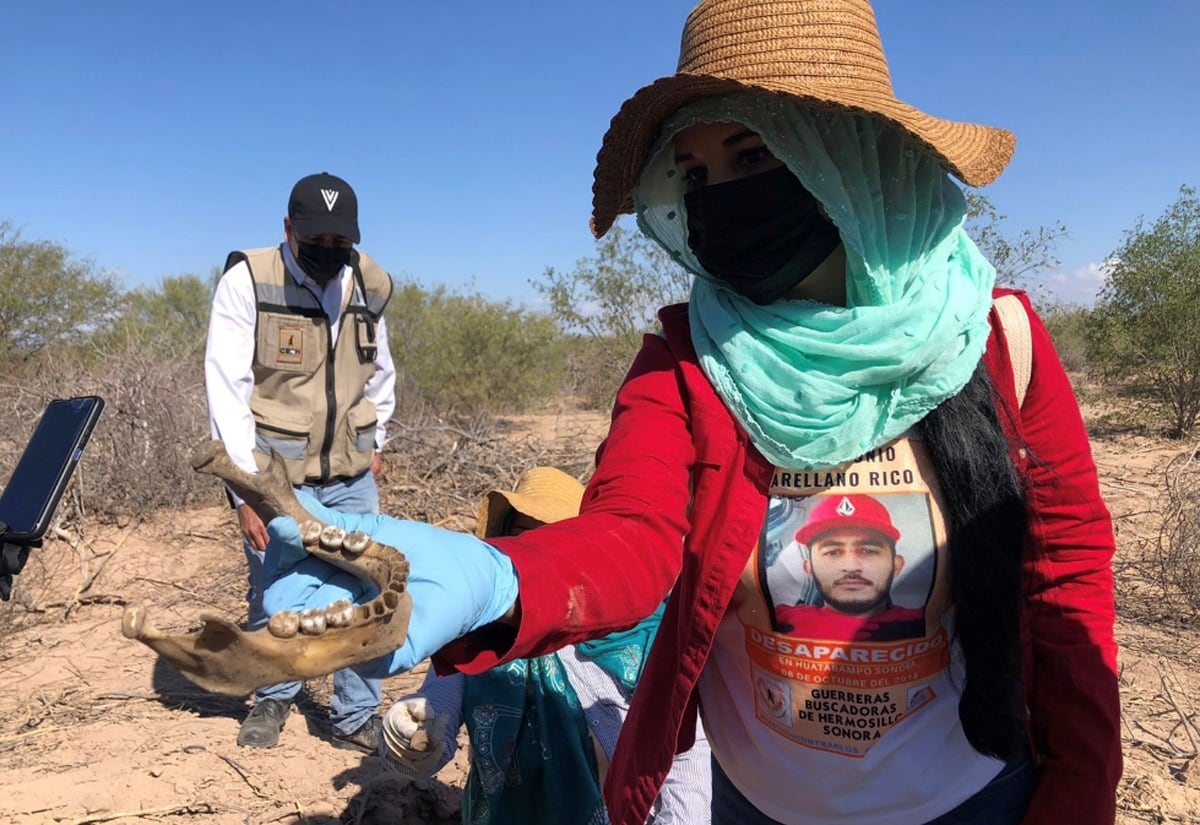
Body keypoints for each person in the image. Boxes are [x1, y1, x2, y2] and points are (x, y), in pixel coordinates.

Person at [261, 2, 1121, 822]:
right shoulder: (687, 359)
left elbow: (1067, 579)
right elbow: (632, 534)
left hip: (975, 800)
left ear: (848, 155)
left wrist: (1082, 788)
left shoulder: (996, 339)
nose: (720, 197)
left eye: (753, 158)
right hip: (759, 807)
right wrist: (501, 578)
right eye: (697, 174)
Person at [379, 467, 711, 824]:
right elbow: (432, 723)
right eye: (524, 538)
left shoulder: (645, 637)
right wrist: (412, 732)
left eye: (555, 541)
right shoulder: (477, 636)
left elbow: (685, 751)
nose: (538, 556)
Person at [205, 171, 396, 752]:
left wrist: (378, 440)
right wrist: (246, 494)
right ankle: (272, 699)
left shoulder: (369, 282)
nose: (330, 252)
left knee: (369, 588)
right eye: (318, 239)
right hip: (277, 472)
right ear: (289, 228)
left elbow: (381, 370)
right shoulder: (248, 281)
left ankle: (355, 715)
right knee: (278, 585)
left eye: (342, 242)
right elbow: (226, 387)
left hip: (352, 470)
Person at [774, 494, 926, 642]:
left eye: (868, 551)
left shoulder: (924, 622)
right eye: (833, 552)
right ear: (809, 568)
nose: (851, 567)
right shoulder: (781, 620)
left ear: (896, 565)